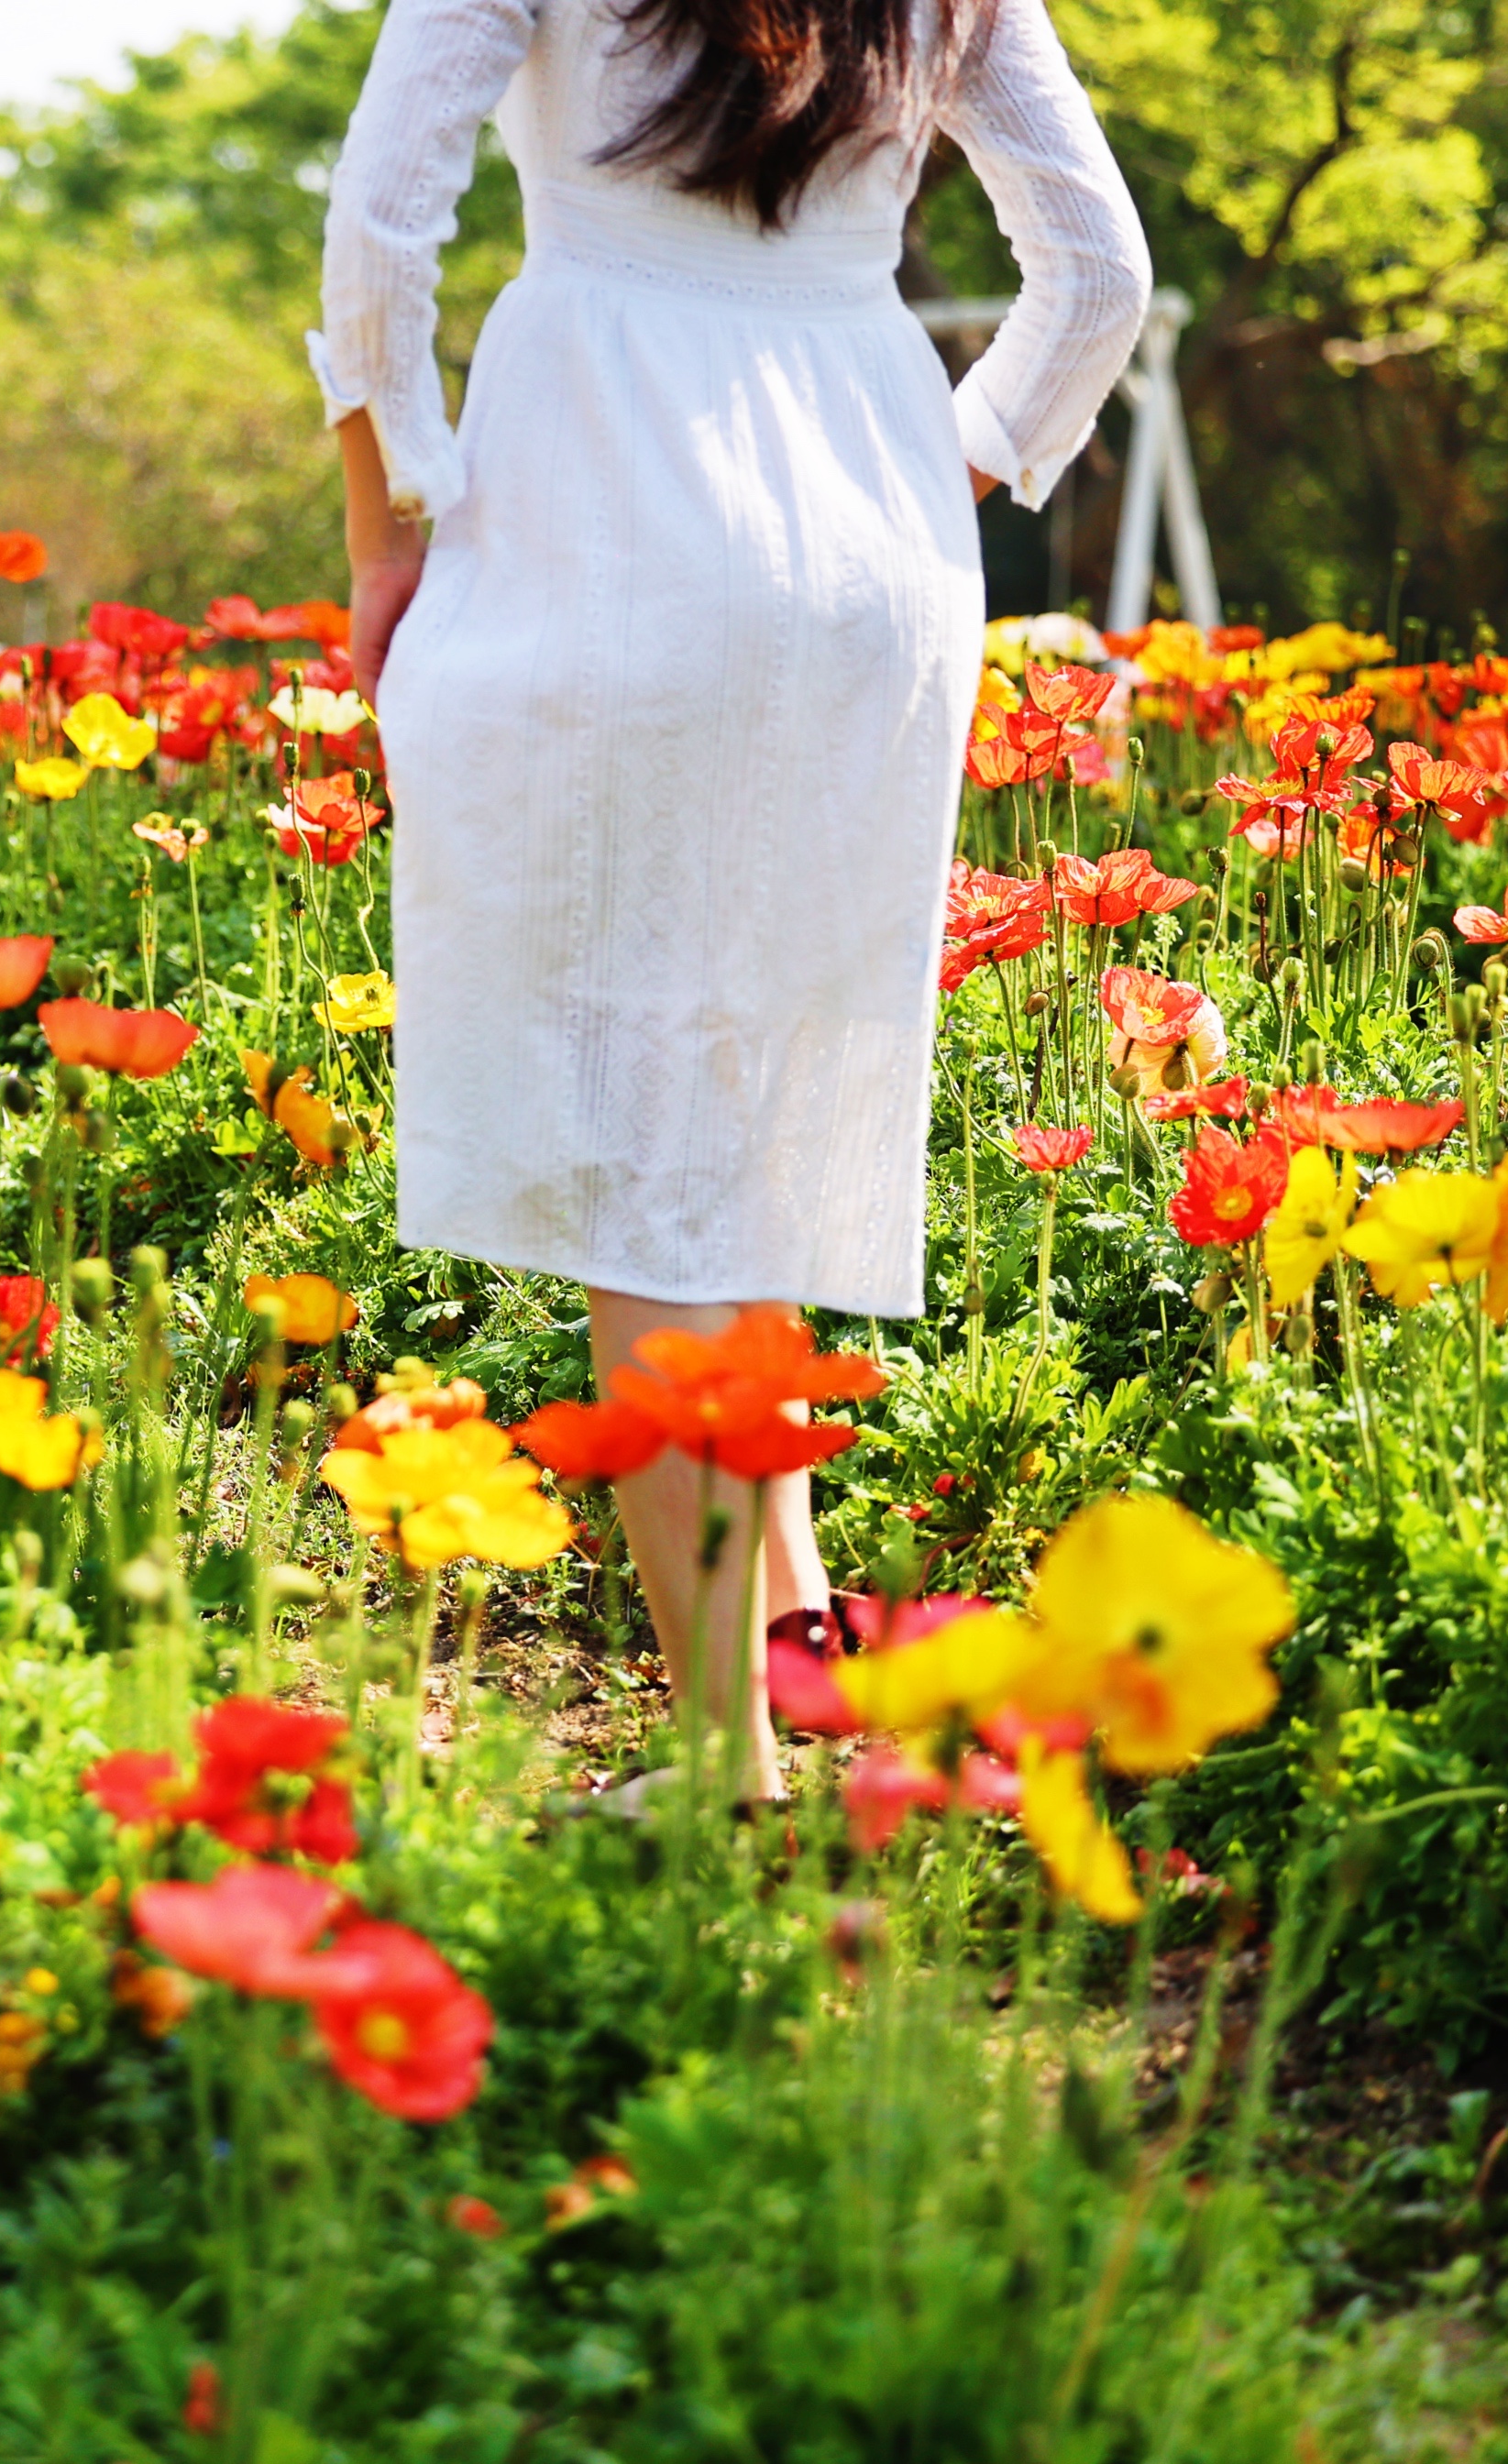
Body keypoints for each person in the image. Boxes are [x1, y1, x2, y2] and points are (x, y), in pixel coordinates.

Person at [317, 0, 1149, 1781]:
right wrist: (959, 458)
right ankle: (794, 1706)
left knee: (637, 1157)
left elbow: (384, 229)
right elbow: (1098, 271)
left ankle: (724, 1779)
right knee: (735, 1152)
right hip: (872, 552)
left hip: (610, 511)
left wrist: (390, 526)